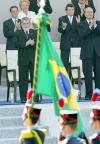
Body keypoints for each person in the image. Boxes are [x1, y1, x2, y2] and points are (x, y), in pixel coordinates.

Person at [78, 6, 100, 100]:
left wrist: (95, 26)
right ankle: (88, 94)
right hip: (87, 53)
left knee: (98, 74)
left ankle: (97, 93)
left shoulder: (98, 23)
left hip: (98, 52)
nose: (90, 13)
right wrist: (91, 27)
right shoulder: (81, 24)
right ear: (85, 13)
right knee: (87, 74)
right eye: (88, 12)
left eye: (91, 12)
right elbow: (82, 35)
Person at [15, 17, 37, 103]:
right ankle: (23, 97)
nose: (26, 25)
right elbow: (16, 44)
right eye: (24, 23)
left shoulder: (34, 32)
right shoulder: (17, 33)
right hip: (22, 59)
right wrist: (26, 43)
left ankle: (35, 97)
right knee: (23, 79)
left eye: (27, 23)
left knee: (34, 79)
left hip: (33, 59)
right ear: (21, 24)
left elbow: (39, 43)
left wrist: (34, 43)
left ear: (30, 24)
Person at [58, 3, 80, 72]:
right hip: (65, 44)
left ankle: (76, 80)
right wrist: (63, 27)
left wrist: (79, 23)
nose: (71, 11)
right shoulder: (62, 18)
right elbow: (59, 30)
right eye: (69, 10)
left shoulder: (77, 18)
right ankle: (65, 80)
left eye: (72, 10)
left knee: (76, 62)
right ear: (66, 11)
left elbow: (80, 32)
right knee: (64, 62)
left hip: (76, 44)